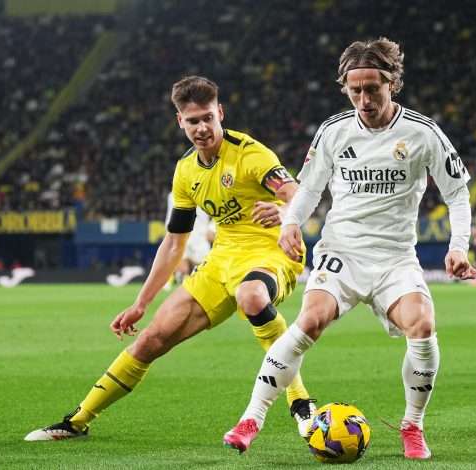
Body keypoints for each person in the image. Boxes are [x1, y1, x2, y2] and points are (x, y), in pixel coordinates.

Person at [222, 38, 476, 460]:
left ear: (392, 83)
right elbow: (309, 188)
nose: (364, 99)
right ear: (345, 87)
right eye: (355, 90)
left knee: (422, 326)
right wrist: (291, 223)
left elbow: (457, 194)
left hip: (395, 257)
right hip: (342, 251)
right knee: (310, 320)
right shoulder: (334, 130)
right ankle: (251, 419)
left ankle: (412, 425)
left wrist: (458, 247)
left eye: (372, 89)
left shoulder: (423, 132)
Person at [25, 76, 316, 441]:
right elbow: (174, 243)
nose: (202, 128)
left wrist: (286, 212)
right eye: (193, 121)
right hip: (221, 260)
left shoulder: (251, 154)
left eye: (208, 118)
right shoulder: (186, 171)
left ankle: (300, 401)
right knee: (151, 339)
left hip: (270, 250)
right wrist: (140, 303)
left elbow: (296, 192)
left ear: (220, 113)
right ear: (180, 121)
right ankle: (77, 421)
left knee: (252, 295)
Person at [163, 191, 215, 290]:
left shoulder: (205, 191)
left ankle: (200, 287)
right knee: (183, 268)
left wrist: (212, 228)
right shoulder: (173, 194)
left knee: (204, 268)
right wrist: (170, 233)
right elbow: (170, 217)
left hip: (200, 236)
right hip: (183, 235)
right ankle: (178, 282)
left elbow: (217, 210)